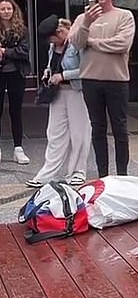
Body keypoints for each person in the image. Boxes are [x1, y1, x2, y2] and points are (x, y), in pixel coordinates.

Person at [69, 0, 136, 177]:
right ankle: (103, 175)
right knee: (97, 129)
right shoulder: (82, 19)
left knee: (120, 129)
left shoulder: (124, 16)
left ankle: (123, 175)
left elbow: (122, 44)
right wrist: (87, 23)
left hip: (117, 80)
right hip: (90, 80)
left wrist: (93, 43)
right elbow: (77, 43)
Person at [27, 16, 92, 188]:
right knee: (54, 133)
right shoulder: (52, 46)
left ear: (60, 32)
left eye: (52, 38)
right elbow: (52, 63)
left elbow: (87, 67)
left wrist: (63, 76)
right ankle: (47, 173)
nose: (51, 42)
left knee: (79, 133)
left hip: (77, 91)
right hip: (58, 93)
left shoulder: (76, 43)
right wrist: (48, 73)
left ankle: (78, 171)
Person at [0, 0, 30, 165]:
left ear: (14, 10)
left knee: (15, 111)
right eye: (2, 9)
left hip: (17, 73)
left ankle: (18, 148)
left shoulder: (22, 30)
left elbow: (24, 51)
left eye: (9, 9)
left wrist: (4, 51)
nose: (6, 12)